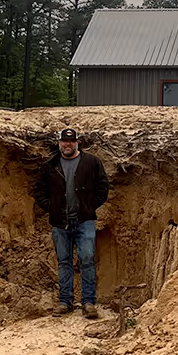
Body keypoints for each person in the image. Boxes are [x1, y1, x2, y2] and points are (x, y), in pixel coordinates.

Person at [33, 127, 110, 318]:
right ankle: (65, 302)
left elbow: (103, 187)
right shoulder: (50, 165)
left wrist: (89, 206)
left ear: (77, 142)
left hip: (84, 221)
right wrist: (50, 207)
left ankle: (89, 303)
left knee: (87, 259)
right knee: (64, 261)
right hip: (60, 223)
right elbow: (39, 189)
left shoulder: (91, 162)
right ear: (59, 143)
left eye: (71, 141)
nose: (67, 144)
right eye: (64, 141)